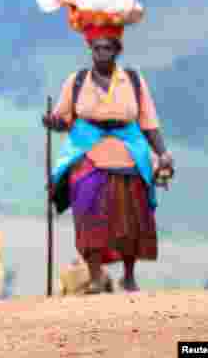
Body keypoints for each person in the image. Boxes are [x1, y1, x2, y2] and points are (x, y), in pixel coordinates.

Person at [43, 23, 174, 294]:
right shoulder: (77, 81)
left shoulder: (134, 81)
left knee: (129, 217)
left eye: (108, 48)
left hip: (129, 154)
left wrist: (162, 153)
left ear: (117, 51)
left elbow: (149, 122)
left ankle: (128, 275)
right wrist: (52, 122)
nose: (102, 53)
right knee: (86, 210)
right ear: (90, 50)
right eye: (97, 48)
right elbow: (63, 119)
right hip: (87, 151)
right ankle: (95, 275)